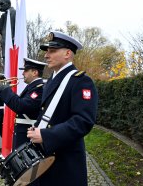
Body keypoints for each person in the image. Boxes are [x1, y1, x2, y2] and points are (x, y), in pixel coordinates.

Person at [27, 31, 98, 186]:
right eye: (46, 51)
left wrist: (47, 135)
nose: (46, 55)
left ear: (67, 54)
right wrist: (37, 128)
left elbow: (83, 121)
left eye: (52, 51)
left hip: (66, 161)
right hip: (46, 155)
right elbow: (48, 112)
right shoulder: (52, 79)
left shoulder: (80, 81)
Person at [0, 58, 47, 150]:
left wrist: (6, 90)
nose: (22, 73)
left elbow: (21, 106)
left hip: (28, 134)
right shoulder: (32, 87)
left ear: (34, 72)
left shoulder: (39, 88)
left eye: (25, 70)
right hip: (23, 132)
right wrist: (2, 92)